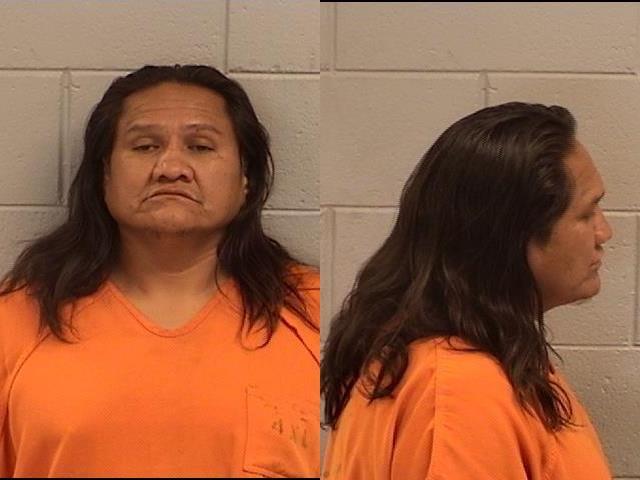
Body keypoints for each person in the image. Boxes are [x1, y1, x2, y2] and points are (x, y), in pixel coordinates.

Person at [0, 65, 319, 477]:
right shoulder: (17, 321)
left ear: (246, 178)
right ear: (104, 175)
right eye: (145, 146)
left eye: (200, 147)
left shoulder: (313, 313)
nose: (171, 167)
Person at [321, 102, 612, 479]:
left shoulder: (472, 363)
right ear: (512, 236)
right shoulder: (460, 392)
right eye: (586, 214)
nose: (604, 233)